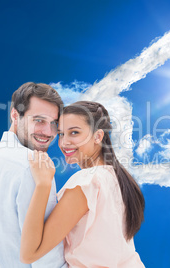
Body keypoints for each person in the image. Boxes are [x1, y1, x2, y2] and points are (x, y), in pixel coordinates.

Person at [20, 101, 145, 267]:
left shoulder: (87, 182)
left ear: (98, 136)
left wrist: (43, 184)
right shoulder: (117, 177)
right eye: (61, 134)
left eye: (74, 133)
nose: (64, 142)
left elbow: (30, 254)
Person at [0, 82, 67, 268]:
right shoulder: (36, 168)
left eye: (54, 123)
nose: (48, 132)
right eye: (39, 120)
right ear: (15, 115)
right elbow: (48, 260)